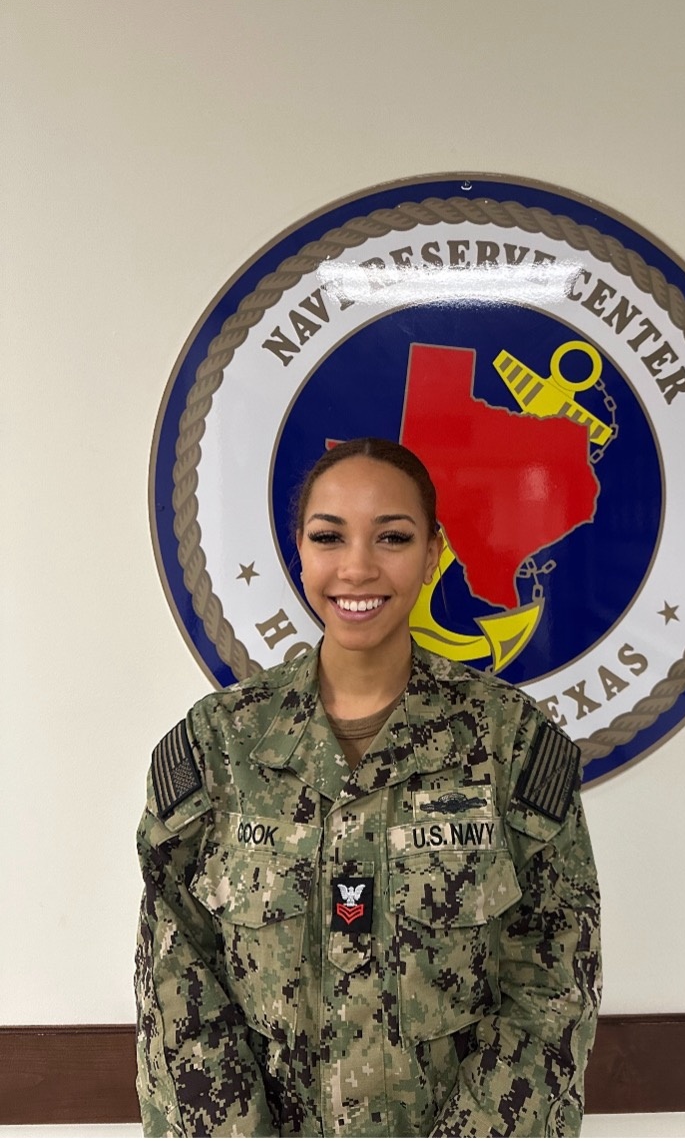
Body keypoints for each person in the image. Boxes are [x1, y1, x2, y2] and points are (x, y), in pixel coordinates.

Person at [135, 437, 601, 1137]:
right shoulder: (218, 747)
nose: (358, 566)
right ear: (300, 550)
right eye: (330, 536)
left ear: (433, 552)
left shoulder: (510, 744)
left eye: (392, 536)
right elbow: (176, 975)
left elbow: (556, 981)